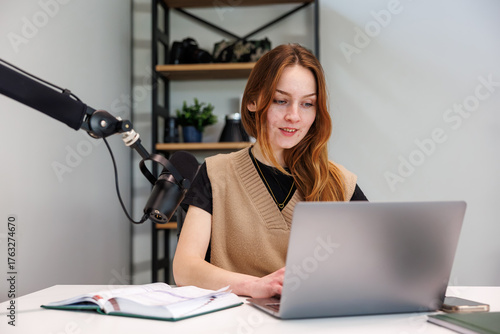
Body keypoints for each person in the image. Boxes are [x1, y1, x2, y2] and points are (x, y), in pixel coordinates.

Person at [173, 44, 367, 298]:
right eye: (281, 101)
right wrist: (254, 286)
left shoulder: (340, 182)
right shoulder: (215, 173)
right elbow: (185, 268)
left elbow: (376, 262)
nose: (294, 116)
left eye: (307, 104)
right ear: (253, 101)